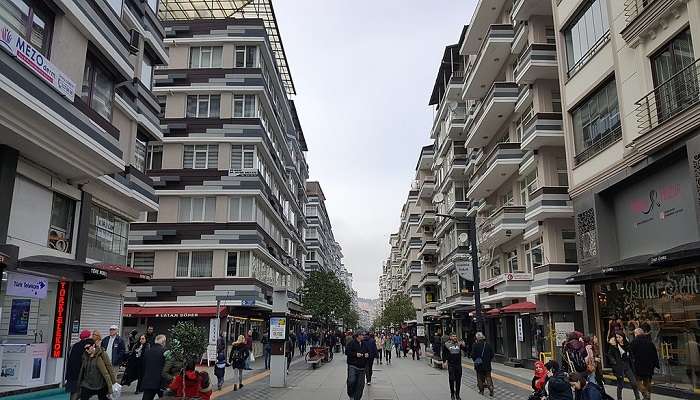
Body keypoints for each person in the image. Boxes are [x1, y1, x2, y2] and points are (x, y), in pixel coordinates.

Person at [607, 333, 640, 400]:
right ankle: (619, 398)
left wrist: (632, 359)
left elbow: (631, 354)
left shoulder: (626, 344)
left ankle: (638, 398)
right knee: (620, 385)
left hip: (627, 365)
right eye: (617, 337)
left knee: (634, 383)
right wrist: (614, 362)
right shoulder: (614, 346)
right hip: (619, 366)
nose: (618, 338)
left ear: (623, 337)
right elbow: (610, 355)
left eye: (619, 337)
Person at [630, 328, 659, 400]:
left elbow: (630, 354)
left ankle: (645, 393)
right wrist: (656, 364)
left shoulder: (634, 342)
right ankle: (647, 397)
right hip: (649, 366)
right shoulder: (650, 342)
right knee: (647, 380)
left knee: (637, 381)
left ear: (636, 334)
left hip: (638, 366)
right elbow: (654, 354)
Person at [66, 330, 93, 400]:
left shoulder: (74, 346)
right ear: (88, 337)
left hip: (71, 372)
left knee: (73, 391)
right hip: (81, 373)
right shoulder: (87, 346)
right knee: (78, 392)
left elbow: (68, 357)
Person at [141, 334, 168, 400]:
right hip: (161, 382)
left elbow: (143, 366)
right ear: (163, 342)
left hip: (148, 381)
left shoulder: (147, 351)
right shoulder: (165, 352)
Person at [346, 332, 370, 400]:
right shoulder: (352, 343)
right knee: (351, 381)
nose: (364, 336)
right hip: (353, 365)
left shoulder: (364, 343)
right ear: (358, 336)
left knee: (360, 385)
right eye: (362, 335)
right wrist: (356, 354)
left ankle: (357, 398)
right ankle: (351, 394)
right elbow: (347, 352)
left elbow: (369, 352)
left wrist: (367, 354)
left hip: (362, 367)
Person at [442, 333, 466, 400]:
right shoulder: (447, 344)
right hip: (451, 364)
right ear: (450, 337)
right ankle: (452, 394)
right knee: (451, 379)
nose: (455, 337)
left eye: (455, 336)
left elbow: (465, 350)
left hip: (458, 364)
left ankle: (457, 394)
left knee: (458, 380)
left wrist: (464, 345)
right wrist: (444, 362)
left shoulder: (459, 343)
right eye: (453, 336)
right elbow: (444, 354)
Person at [471, 332, 495, 397]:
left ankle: (481, 391)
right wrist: (488, 360)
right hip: (487, 364)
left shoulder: (475, 345)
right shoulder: (487, 345)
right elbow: (492, 354)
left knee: (479, 378)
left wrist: (476, 360)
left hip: (478, 365)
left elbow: (472, 355)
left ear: (477, 338)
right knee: (488, 377)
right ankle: (491, 388)